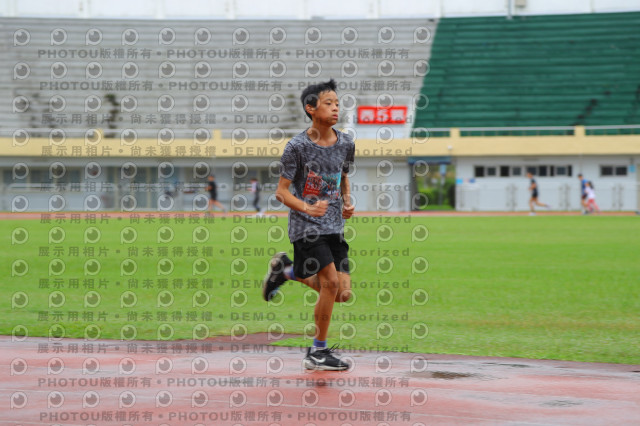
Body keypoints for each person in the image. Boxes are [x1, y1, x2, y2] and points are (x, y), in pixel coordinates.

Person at [262, 79, 355, 371]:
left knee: (342, 293)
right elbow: (282, 192)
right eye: (329, 103)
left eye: (337, 103)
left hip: (334, 226)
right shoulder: (297, 147)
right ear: (311, 108)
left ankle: (285, 271)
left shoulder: (346, 143)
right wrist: (308, 208)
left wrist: (347, 200)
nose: (336, 108)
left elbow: (343, 176)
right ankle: (317, 351)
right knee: (330, 283)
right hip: (307, 227)